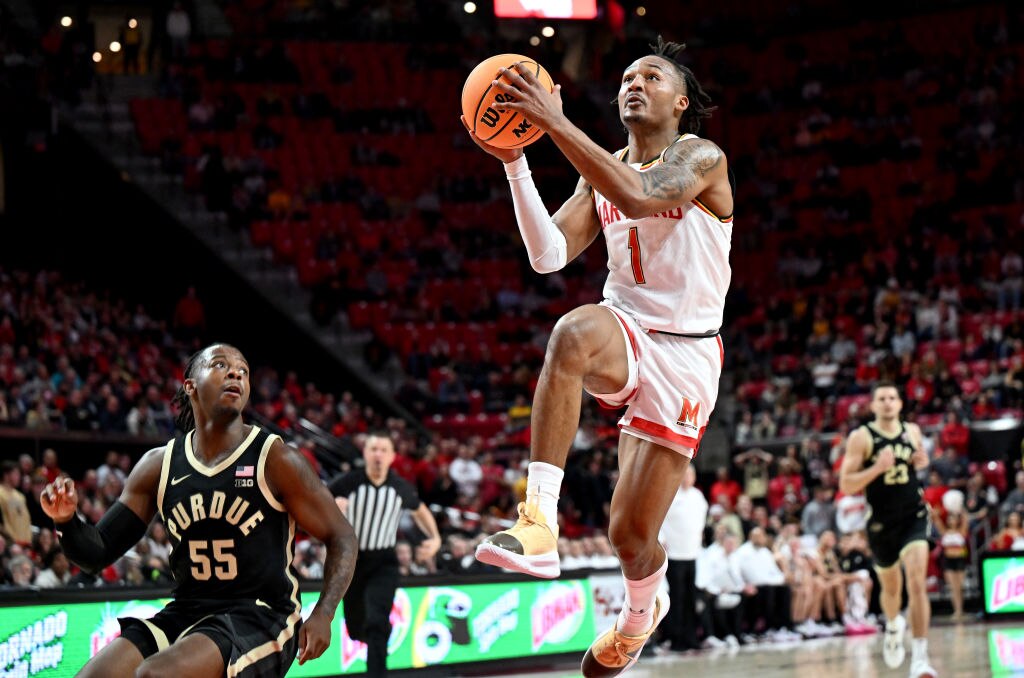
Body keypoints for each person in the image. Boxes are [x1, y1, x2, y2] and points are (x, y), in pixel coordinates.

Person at [463, 35, 731, 677]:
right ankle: (538, 521)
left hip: (687, 353)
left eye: (653, 76)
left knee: (630, 538)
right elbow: (549, 254)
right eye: (628, 76)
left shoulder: (700, 156)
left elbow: (641, 195)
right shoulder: (603, 168)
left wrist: (554, 122)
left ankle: (641, 615)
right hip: (627, 330)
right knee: (573, 333)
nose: (635, 83)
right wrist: (515, 161)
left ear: (681, 102)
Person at [41, 343, 357, 677]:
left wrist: (324, 612)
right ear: (190, 386)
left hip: (263, 615)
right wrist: (66, 521)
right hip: (188, 611)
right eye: (220, 365)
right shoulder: (159, 465)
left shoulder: (275, 458)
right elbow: (97, 552)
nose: (235, 373)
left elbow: (342, 536)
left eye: (243, 370)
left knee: (155, 675)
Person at [839, 382, 936, 678]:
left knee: (917, 582)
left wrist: (922, 462)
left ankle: (920, 659)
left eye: (892, 397)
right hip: (881, 522)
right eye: (881, 398)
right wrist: (876, 469)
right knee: (891, 590)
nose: (887, 402)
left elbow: (917, 463)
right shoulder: (862, 437)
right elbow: (846, 485)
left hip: (913, 515)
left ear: (900, 403)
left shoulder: (912, 431)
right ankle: (893, 625)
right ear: (873, 405)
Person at [330, 433, 441, 677]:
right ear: (365, 453)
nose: (378, 454)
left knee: (377, 621)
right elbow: (319, 502)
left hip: (384, 562)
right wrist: (332, 509)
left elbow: (420, 510)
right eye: (373, 449)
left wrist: (435, 538)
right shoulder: (347, 483)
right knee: (356, 628)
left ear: (392, 456)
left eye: (383, 450)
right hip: (353, 562)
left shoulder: (400, 487)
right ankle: (374, 634)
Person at [658, 464, 708, 651]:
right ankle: (676, 639)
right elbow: (657, 518)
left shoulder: (698, 496)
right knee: (676, 598)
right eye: (684, 474)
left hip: (692, 554)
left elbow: (701, 520)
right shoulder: (669, 494)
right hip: (674, 555)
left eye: (690, 475)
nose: (687, 478)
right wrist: (661, 538)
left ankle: (691, 638)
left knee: (690, 598)